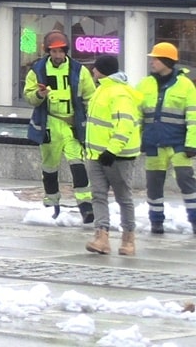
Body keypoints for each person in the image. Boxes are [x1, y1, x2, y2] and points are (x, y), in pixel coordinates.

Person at [24, 30, 97, 224]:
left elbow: (90, 96)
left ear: (66, 51)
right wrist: (39, 95)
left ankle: (85, 206)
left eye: (61, 51)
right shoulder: (37, 70)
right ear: (48, 51)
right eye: (54, 51)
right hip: (49, 123)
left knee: (77, 164)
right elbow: (29, 96)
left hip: (71, 124)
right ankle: (51, 205)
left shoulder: (79, 70)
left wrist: (90, 119)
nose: (58, 55)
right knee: (49, 168)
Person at [83, 53, 142, 255]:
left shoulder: (119, 93)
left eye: (96, 68)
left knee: (123, 197)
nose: (93, 70)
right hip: (96, 154)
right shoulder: (101, 89)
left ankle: (128, 239)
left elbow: (125, 124)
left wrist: (112, 150)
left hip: (118, 156)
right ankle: (101, 237)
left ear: (103, 70)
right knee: (98, 195)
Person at [136, 41, 196, 235]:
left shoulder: (185, 86)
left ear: (166, 61)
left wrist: (192, 144)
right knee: (153, 185)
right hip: (154, 144)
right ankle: (156, 223)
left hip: (179, 145)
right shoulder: (145, 84)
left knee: (186, 181)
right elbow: (137, 116)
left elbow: (194, 117)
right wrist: (138, 141)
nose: (152, 62)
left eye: (155, 59)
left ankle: (195, 220)